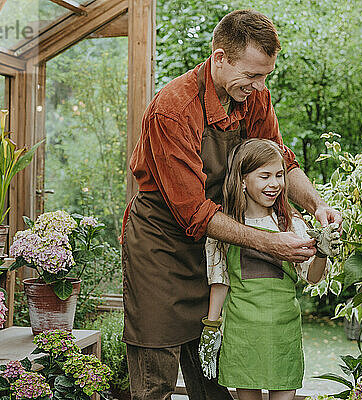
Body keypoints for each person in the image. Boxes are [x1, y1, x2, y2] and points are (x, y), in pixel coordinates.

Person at [121, 9, 342, 400]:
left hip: (220, 238)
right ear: (220, 58)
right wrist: (271, 243)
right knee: (156, 373)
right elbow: (193, 212)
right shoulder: (173, 109)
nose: (258, 86)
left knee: (215, 377)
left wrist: (315, 205)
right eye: (253, 75)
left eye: (265, 76)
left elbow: (276, 161)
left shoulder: (251, 96)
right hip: (163, 244)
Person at [198, 139, 341, 400]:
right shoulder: (226, 227)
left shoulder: (291, 222)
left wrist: (322, 251)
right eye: (264, 176)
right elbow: (220, 280)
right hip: (243, 333)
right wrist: (211, 326)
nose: (274, 184)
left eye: (279, 175)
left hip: (282, 333)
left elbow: (312, 276)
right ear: (242, 180)